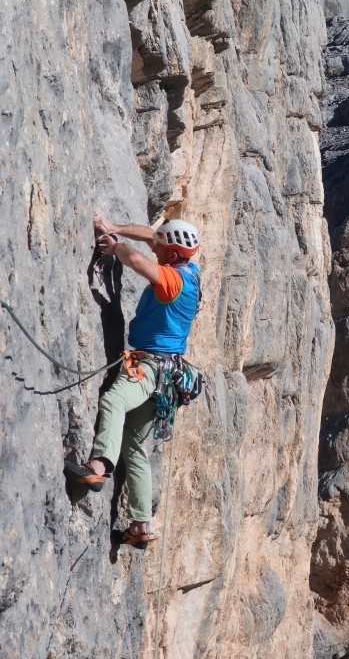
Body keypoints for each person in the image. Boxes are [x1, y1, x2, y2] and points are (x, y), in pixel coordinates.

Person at [64, 216, 200, 547]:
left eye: (162, 248)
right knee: (135, 445)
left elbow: (138, 260)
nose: (156, 249)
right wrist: (116, 227)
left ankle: (98, 465)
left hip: (150, 368)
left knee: (114, 401)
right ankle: (140, 526)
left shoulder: (172, 281)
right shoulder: (190, 272)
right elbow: (152, 237)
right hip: (168, 378)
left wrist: (115, 247)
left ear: (171, 254)